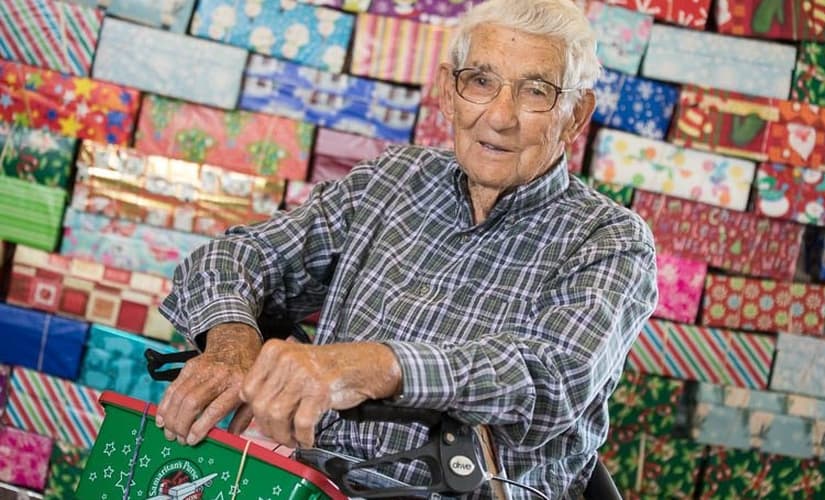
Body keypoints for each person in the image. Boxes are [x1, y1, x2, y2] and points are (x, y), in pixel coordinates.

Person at [156, 0, 658, 497]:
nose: (500, 117)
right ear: (448, 91)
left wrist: (371, 366)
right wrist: (231, 345)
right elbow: (233, 258)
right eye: (480, 82)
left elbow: (549, 378)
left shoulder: (611, 240)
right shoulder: (391, 181)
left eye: (535, 92)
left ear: (576, 116)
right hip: (309, 484)